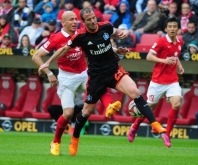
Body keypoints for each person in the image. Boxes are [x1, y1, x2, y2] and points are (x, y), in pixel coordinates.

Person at [38, 7, 166, 156]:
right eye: (89, 19)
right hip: (89, 76)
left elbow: (115, 34)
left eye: (93, 17)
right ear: (84, 22)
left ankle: (155, 124)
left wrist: (123, 35)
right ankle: (72, 139)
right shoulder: (79, 36)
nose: (92, 21)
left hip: (111, 70)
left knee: (135, 91)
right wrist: (48, 64)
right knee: (83, 112)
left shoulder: (105, 26)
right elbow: (63, 50)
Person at [33, 11, 124, 156]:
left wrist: (114, 49)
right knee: (68, 114)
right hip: (66, 78)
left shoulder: (82, 33)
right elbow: (36, 56)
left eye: (76, 19)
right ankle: (56, 141)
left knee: (98, 83)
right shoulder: (56, 38)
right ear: (63, 23)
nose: (75, 22)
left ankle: (110, 106)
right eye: (71, 20)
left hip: (83, 73)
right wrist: (49, 74)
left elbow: (96, 45)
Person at [128, 17, 184, 148]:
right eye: (169, 26)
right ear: (166, 29)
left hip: (172, 80)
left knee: (176, 105)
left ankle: (167, 134)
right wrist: (164, 61)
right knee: (150, 108)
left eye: (174, 26)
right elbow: (149, 56)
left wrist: (179, 65)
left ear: (178, 29)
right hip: (158, 81)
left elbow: (175, 56)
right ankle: (134, 127)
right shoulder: (161, 41)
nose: (172, 29)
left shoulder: (180, 42)